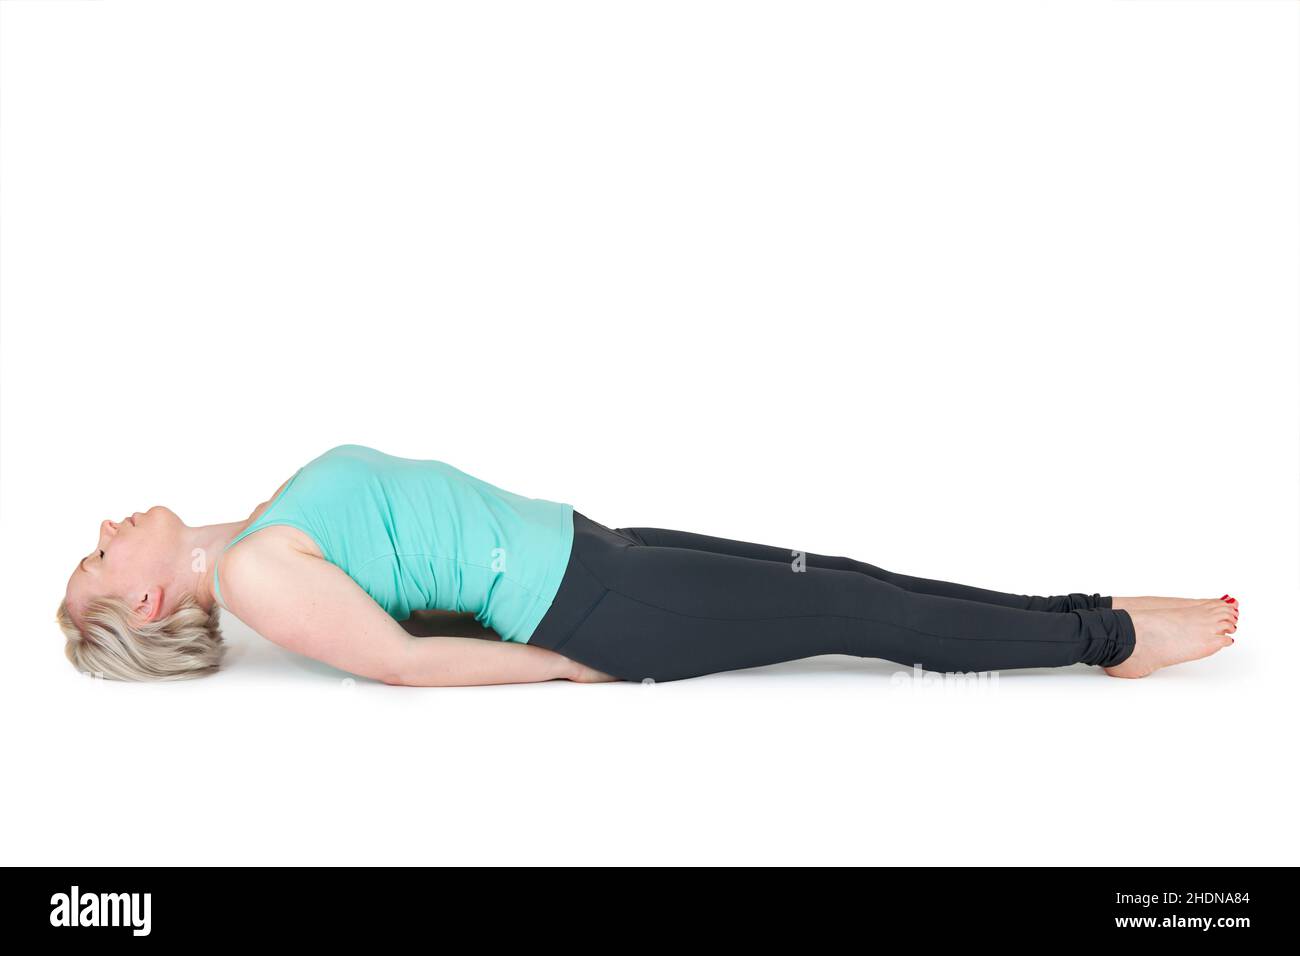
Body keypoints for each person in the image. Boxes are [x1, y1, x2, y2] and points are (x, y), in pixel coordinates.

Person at [58, 444, 1239, 684]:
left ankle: (1089, 618)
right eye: (99, 560)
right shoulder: (260, 572)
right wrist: (569, 665)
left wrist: (180, 548)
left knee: (852, 573)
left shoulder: (250, 530)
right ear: (151, 597)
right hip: (598, 604)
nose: (106, 528)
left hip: (598, 551)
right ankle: (1112, 634)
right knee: (861, 610)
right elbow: (397, 664)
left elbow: (209, 540)